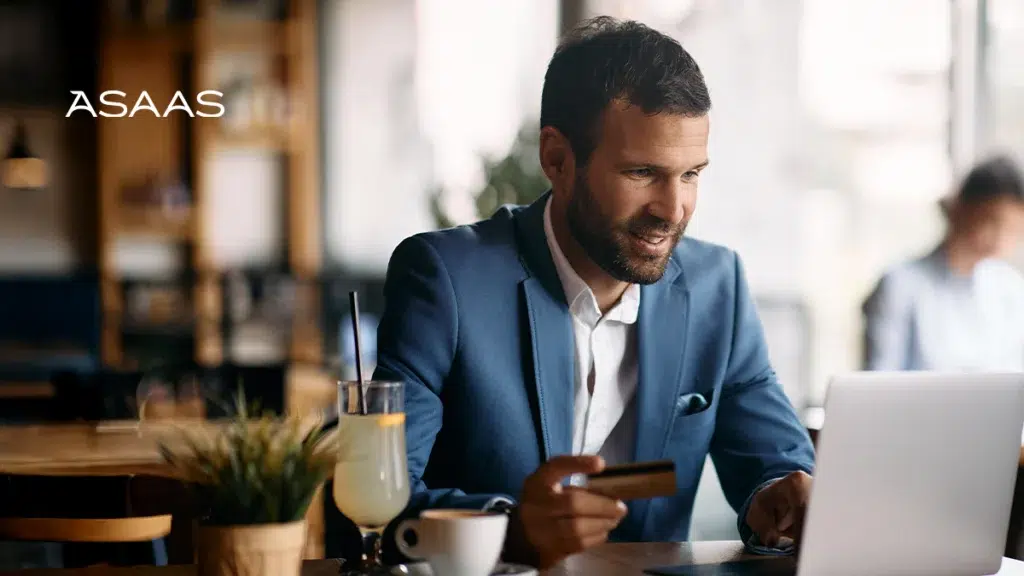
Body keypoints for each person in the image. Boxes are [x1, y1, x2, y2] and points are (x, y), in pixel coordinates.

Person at [372, 16, 816, 569]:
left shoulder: (715, 288)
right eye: (642, 172)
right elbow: (373, 511)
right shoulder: (446, 280)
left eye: (691, 174)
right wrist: (508, 532)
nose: (673, 210)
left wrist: (780, 501)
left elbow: (775, 466)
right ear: (557, 159)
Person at [862, 156, 1024, 371]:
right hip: (915, 406)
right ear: (960, 209)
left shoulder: (1011, 289)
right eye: (992, 222)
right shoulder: (900, 284)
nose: (1001, 238)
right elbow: (879, 381)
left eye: (1015, 229)